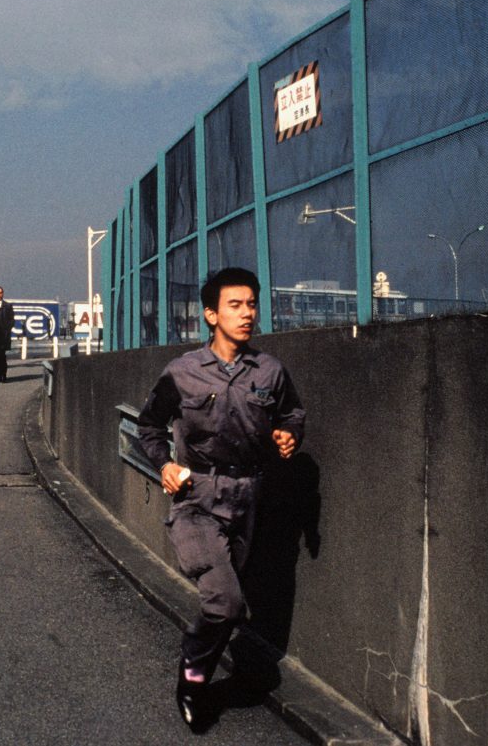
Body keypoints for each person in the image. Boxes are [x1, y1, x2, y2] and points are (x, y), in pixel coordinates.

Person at [136, 267, 305, 728]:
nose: (247, 313)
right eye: (235, 305)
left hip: (249, 497)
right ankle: (193, 676)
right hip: (197, 497)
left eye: (252, 304)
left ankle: (207, 660)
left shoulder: (270, 371)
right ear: (211, 314)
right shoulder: (183, 372)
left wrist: (289, 434)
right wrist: (165, 465)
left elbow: (291, 412)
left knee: (235, 602)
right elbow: (148, 427)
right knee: (226, 603)